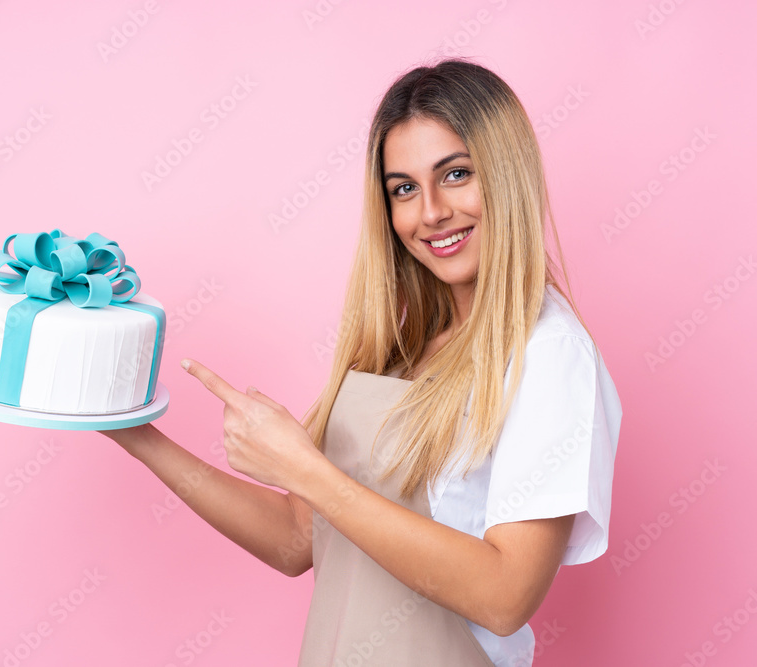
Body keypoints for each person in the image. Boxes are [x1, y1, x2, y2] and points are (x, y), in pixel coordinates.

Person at [103, 58, 622, 666]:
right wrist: (131, 430)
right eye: (403, 188)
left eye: (455, 174)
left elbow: (506, 595)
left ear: (509, 176)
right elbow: (300, 539)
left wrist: (304, 468)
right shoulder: (403, 344)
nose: (430, 212)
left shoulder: (548, 353)